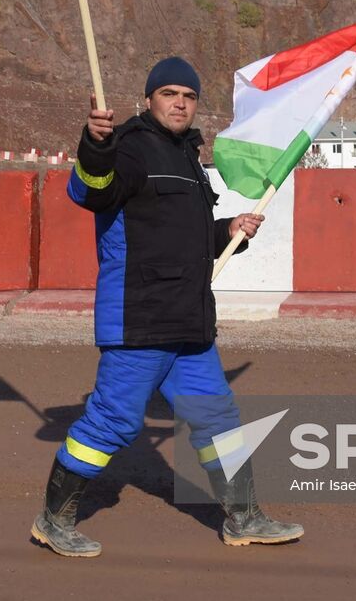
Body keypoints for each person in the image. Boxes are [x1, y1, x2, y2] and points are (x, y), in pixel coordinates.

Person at [30, 56, 303, 557]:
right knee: (111, 423)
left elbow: (187, 238)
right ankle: (54, 519)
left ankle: (244, 519)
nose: (180, 102)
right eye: (169, 93)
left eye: (189, 95)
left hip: (189, 320)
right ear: (150, 98)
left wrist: (230, 231)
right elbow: (90, 190)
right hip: (142, 318)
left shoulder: (187, 159)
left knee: (217, 417)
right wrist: (94, 146)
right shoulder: (128, 148)